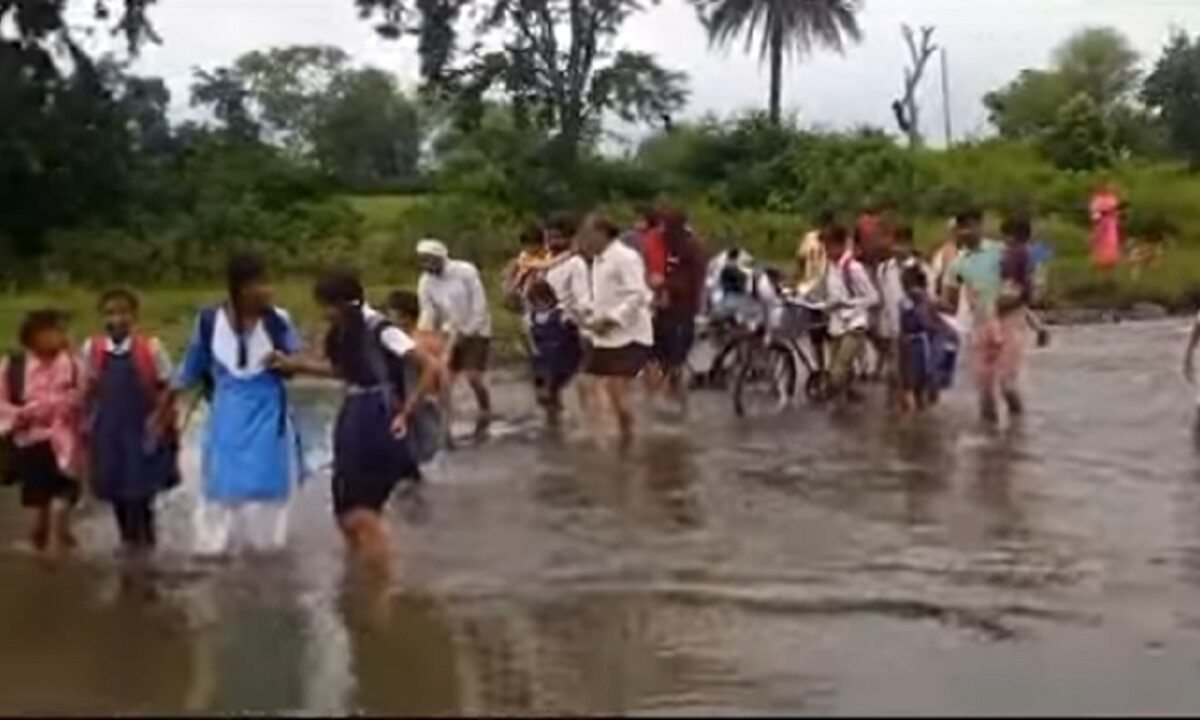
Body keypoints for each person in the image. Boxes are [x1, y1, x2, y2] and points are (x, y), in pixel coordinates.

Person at [270, 271, 439, 571]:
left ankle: (380, 580)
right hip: (354, 414)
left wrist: (407, 412)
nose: (325, 314)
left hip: (378, 417)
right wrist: (294, 364)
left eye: (328, 307)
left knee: (361, 511)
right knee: (345, 511)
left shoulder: (381, 329)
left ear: (344, 303)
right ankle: (364, 572)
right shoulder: (345, 331)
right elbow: (342, 372)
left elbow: (429, 366)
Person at [172, 252, 304, 557]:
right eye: (259, 283)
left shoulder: (278, 321)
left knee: (267, 493)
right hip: (226, 417)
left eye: (267, 282)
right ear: (240, 287)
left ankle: (266, 557)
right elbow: (190, 369)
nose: (267, 290)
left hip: (269, 417)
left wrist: (284, 363)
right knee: (220, 492)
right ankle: (214, 555)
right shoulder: (208, 322)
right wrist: (163, 402)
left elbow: (295, 365)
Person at [81, 288, 179, 556]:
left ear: (134, 316)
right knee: (115, 492)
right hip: (108, 432)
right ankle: (128, 544)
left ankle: (144, 547)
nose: (117, 319)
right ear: (102, 318)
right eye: (110, 313)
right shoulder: (93, 349)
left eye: (123, 312)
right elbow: (86, 389)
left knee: (140, 494)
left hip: (142, 430)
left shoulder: (151, 348)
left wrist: (160, 421)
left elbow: (168, 387)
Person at [0, 310, 83, 556]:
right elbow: (1, 402)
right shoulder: (13, 366)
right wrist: (21, 415)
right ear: (32, 337)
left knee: (64, 499)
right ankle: (44, 549)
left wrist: (63, 405)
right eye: (50, 331)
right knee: (39, 510)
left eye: (59, 331)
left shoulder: (74, 364)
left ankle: (60, 546)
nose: (56, 337)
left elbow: (85, 395)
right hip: (31, 443)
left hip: (67, 444)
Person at [578, 213, 654, 445]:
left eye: (589, 233)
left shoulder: (625, 257)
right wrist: (588, 315)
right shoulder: (598, 260)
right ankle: (603, 434)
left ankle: (627, 440)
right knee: (586, 383)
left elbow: (637, 294)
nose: (585, 239)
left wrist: (612, 320)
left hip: (629, 334)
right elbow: (605, 296)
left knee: (616, 391)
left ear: (602, 234)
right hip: (606, 336)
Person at [942, 209, 1017, 424]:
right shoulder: (956, 264)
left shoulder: (1000, 251)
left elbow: (1018, 285)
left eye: (970, 226)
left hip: (1006, 322)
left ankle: (1017, 428)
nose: (966, 232)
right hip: (979, 325)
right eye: (962, 227)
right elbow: (950, 303)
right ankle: (991, 442)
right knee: (984, 391)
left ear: (980, 226)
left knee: (1007, 386)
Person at [416, 239, 494, 439]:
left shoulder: (465, 271)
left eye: (430, 260)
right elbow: (428, 311)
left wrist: (468, 331)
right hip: (448, 331)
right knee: (445, 379)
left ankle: (485, 408)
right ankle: (444, 423)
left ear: (440, 258)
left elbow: (479, 304)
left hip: (476, 329)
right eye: (423, 260)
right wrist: (423, 336)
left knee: (472, 376)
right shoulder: (425, 282)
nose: (426, 265)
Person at [643, 207, 706, 405]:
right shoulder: (663, 245)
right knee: (655, 355)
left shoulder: (691, 248)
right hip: (661, 309)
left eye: (665, 226)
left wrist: (663, 283)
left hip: (682, 310)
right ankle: (660, 399)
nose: (661, 230)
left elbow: (692, 280)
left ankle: (669, 399)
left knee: (675, 359)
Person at [822, 223, 880, 405]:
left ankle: (836, 401)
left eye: (829, 247)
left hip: (854, 323)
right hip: (836, 324)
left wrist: (846, 304)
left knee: (838, 371)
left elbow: (873, 298)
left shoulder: (853, 268)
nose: (826, 251)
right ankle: (846, 404)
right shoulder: (831, 267)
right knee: (835, 368)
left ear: (839, 245)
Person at [897, 265, 958, 412]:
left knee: (923, 386)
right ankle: (922, 415)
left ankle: (922, 416)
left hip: (925, 346)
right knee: (916, 387)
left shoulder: (923, 300)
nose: (910, 290)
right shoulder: (908, 301)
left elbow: (950, 310)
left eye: (908, 284)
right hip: (915, 346)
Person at [524, 279, 584, 426]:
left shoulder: (563, 314)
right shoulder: (530, 318)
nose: (539, 303)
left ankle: (558, 417)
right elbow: (530, 339)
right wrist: (533, 353)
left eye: (542, 298)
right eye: (535, 300)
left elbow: (577, 337)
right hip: (541, 360)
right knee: (543, 395)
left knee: (550, 388)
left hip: (562, 359)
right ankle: (554, 418)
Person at [500, 224, 550, 313]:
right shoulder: (524, 255)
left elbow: (541, 265)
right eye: (527, 245)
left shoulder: (547, 254)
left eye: (532, 245)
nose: (529, 248)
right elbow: (521, 267)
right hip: (524, 283)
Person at [794, 210, 835, 297]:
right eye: (824, 225)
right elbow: (800, 259)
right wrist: (796, 279)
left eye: (828, 225)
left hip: (823, 289)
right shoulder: (810, 238)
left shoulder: (833, 243)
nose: (826, 228)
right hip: (806, 286)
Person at [1089, 181, 1122, 273]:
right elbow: (1094, 211)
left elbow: (1116, 210)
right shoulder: (1097, 199)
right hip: (1101, 222)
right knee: (1100, 241)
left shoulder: (1112, 198)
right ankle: (1100, 262)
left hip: (1110, 222)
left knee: (1111, 241)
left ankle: (1110, 261)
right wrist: (1097, 217)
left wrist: (1115, 215)